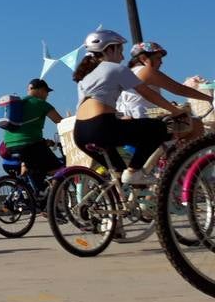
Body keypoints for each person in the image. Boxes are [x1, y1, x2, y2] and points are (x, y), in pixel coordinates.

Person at [73, 30, 185, 186]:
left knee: (119, 172)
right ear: (110, 48)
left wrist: (119, 117)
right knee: (158, 128)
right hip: (102, 127)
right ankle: (134, 172)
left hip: (80, 132)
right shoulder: (115, 68)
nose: (123, 57)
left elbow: (94, 103)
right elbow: (148, 94)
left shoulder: (85, 77)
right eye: (120, 50)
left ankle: (119, 206)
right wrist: (176, 111)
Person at [119, 41, 212, 142]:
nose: (161, 62)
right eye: (158, 58)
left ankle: (172, 153)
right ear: (143, 59)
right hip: (143, 117)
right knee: (196, 124)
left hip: (130, 117)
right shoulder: (146, 71)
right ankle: (179, 156)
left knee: (182, 112)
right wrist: (210, 98)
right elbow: (178, 89)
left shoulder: (129, 72)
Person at [1, 79, 65, 192]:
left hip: (9, 145)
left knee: (36, 170)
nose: (47, 95)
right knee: (59, 170)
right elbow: (61, 122)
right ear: (40, 90)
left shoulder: (18, 104)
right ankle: (52, 200)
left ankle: (37, 199)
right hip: (29, 144)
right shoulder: (41, 104)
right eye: (47, 92)